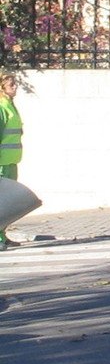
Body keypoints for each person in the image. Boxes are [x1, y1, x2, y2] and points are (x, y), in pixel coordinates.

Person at [0, 72, 23, 249]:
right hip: (2, 162)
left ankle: (3, 235)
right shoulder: (2, 107)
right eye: (11, 85)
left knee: (7, 201)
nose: (15, 87)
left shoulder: (10, 105)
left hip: (11, 161)